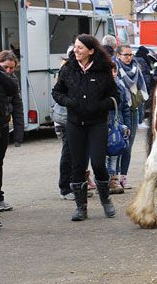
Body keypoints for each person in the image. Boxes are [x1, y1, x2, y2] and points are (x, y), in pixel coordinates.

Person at [52, 34, 119, 221]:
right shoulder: (68, 69)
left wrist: (100, 105)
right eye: (75, 47)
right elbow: (56, 92)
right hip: (74, 124)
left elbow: (115, 96)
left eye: (80, 47)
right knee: (78, 165)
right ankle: (81, 208)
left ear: (91, 51)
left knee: (98, 163)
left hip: (97, 124)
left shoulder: (103, 70)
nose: (76, 50)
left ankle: (106, 200)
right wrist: (68, 102)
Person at [114, 45, 148, 190]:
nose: (129, 58)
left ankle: (124, 176)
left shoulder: (136, 68)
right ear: (118, 55)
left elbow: (140, 90)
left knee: (128, 145)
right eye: (125, 55)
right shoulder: (114, 68)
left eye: (130, 55)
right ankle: (114, 177)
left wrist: (140, 112)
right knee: (116, 145)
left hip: (133, 109)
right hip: (118, 111)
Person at [0, 50, 23, 212]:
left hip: (4, 125)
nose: (8, 71)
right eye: (5, 67)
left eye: (12, 68)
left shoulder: (12, 81)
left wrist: (19, 131)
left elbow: (17, 105)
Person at [107, 61, 131, 194]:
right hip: (104, 126)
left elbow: (126, 108)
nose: (113, 74)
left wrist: (126, 125)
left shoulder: (121, 87)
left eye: (114, 71)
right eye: (110, 71)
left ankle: (114, 180)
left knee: (116, 153)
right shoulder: (100, 88)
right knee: (105, 156)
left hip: (119, 125)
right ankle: (106, 180)